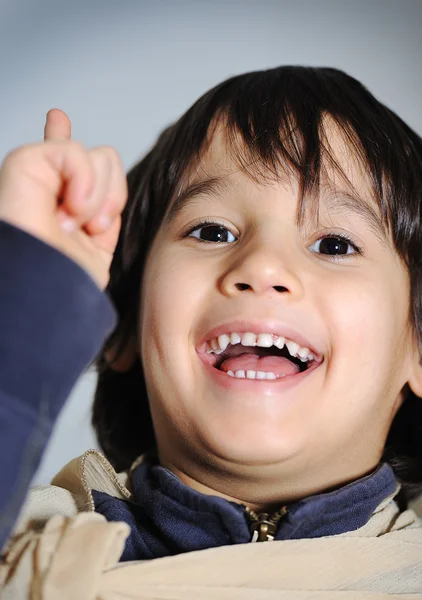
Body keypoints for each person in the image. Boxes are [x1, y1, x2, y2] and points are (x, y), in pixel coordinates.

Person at [0, 66, 422, 598]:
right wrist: (28, 308)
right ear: (124, 320)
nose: (263, 266)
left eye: (334, 244)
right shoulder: (23, 555)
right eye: (212, 231)